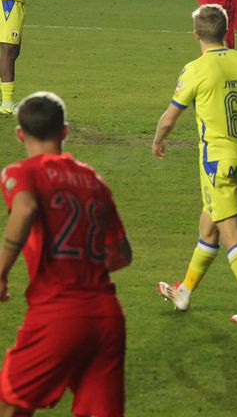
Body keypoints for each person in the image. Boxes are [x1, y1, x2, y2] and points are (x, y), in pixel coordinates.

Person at [0, 92, 132, 417]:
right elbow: (121, 255)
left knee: (10, 404)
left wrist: (1, 272)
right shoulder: (95, 182)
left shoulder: (23, 172)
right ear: (64, 131)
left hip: (57, 313)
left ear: (21, 135)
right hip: (107, 317)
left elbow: (25, 208)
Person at [152, 4, 237, 325]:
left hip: (217, 164)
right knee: (208, 227)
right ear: (226, 31)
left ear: (196, 34)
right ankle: (184, 293)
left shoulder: (195, 69)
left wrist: (158, 140)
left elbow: (169, 118)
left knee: (231, 234)